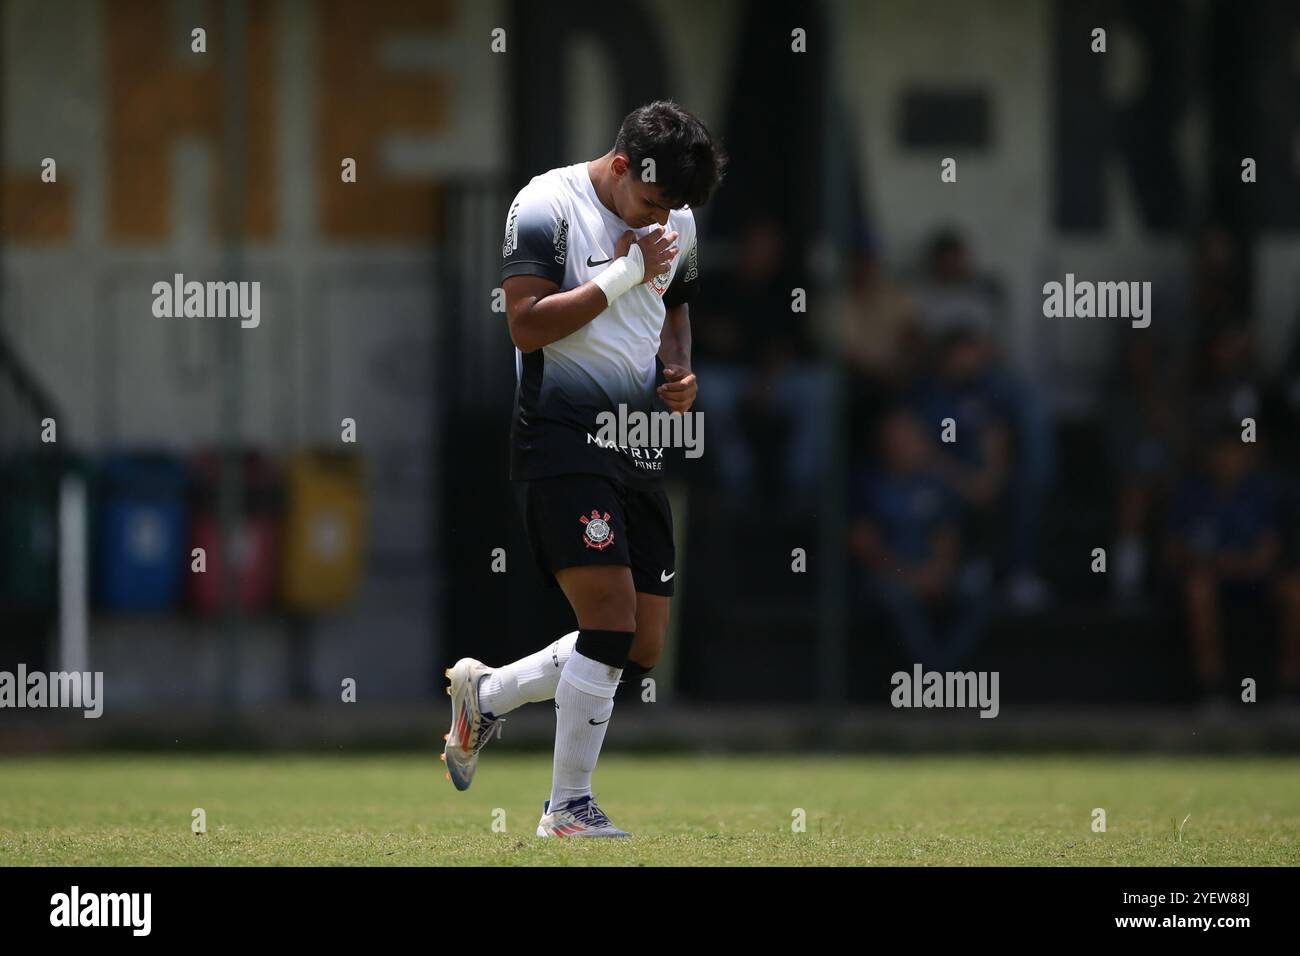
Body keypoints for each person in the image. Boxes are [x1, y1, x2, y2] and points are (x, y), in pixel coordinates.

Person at [440, 101, 726, 837]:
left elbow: (676, 305)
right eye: (654, 203)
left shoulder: (675, 221)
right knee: (606, 620)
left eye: (677, 211)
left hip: (636, 439)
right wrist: (626, 273)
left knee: (640, 644)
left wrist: (679, 368)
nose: (663, 222)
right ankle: (567, 808)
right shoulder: (545, 205)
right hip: (560, 437)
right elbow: (525, 323)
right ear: (623, 165)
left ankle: (489, 695)